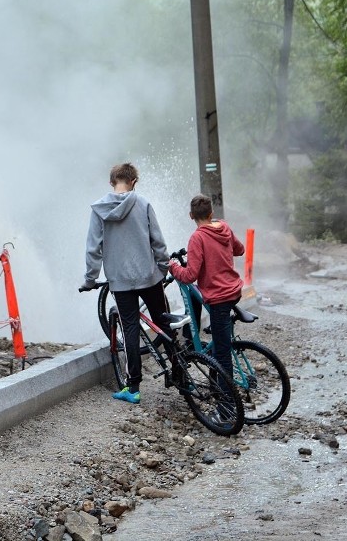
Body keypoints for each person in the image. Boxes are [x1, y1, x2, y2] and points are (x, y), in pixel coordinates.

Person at [81, 162, 171, 404]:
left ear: (112, 182)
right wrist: (162, 268)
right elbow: (158, 242)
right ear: (133, 182)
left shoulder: (99, 209)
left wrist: (90, 279)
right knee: (164, 323)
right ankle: (180, 375)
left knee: (130, 330)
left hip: (120, 282)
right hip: (150, 277)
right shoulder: (143, 204)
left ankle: (133, 389)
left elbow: (93, 249)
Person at [168, 194, 244, 419]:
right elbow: (239, 250)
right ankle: (215, 366)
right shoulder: (224, 227)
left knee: (222, 356)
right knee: (221, 341)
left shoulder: (197, 238)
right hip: (234, 291)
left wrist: (172, 267)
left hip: (219, 298)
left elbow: (190, 275)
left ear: (191, 216)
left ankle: (226, 409)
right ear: (211, 213)